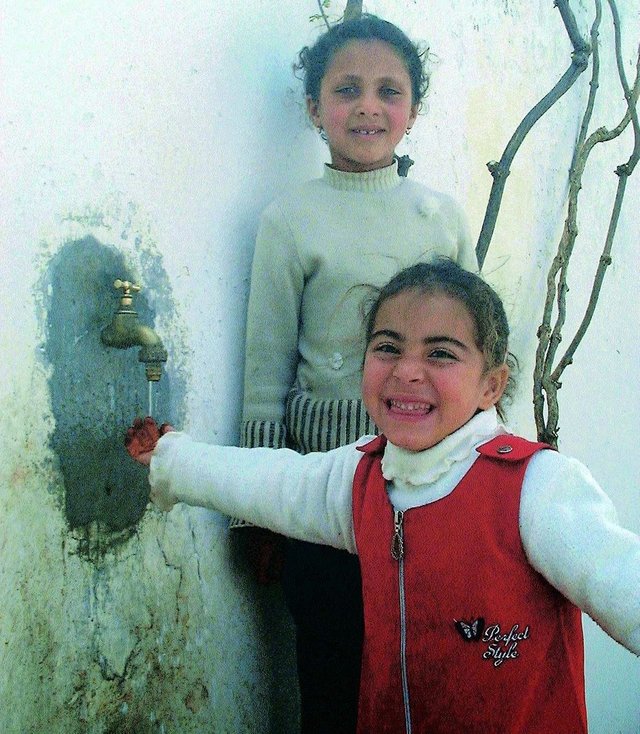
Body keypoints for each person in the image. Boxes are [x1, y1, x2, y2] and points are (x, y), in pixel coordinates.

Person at [127, 259, 640, 734]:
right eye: (388, 347)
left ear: (491, 386)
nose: (407, 370)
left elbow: (624, 584)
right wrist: (175, 459)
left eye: (440, 352)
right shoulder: (363, 476)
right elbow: (274, 483)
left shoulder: (537, 486)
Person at [236, 13, 477, 731]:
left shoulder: (440, 219)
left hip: (425, 482)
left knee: (423, 661)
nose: (367, 106)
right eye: (346, 89)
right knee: (334, 662)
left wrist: (490, 467)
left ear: (413, 108)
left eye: (388, 90)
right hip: (325, 489)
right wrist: (258, 508)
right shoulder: (290, 221)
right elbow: (264, 365)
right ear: (314, 109)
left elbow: (471, 353)